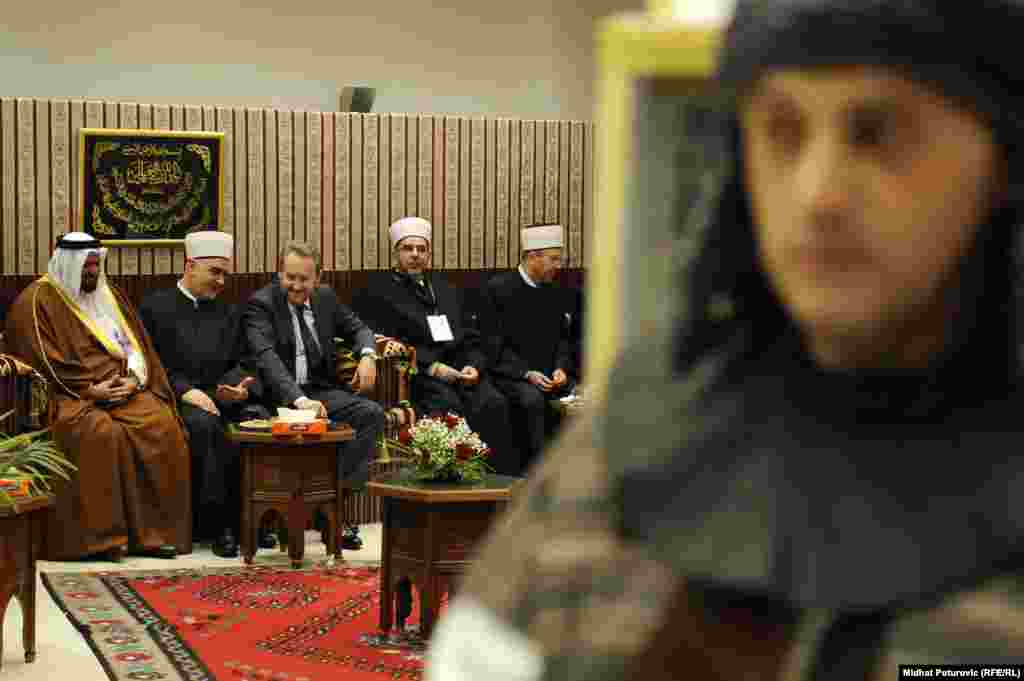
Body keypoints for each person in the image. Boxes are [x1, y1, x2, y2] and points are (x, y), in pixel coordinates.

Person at [427, 1, 1024, 679]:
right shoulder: (626, 441)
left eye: (876, 132)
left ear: (1002, 159)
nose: (818, 193)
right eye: (782, 130)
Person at [5, 232, 190, 561]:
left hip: (123, 390)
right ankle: (101, 541)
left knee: (161, 427)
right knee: (100, 433)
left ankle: (154, 535)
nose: (92, 273)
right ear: (67, 263)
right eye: (86, 267)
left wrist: (134, 380)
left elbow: (136, 346)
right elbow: (39, 360)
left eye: (95, 265)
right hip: (66, 395)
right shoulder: (37, 301)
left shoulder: (109, 294)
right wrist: (90, 390)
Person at [139, 230, 274, 559]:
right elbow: (149, 364)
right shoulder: (154, 307)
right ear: (190, 266)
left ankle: (257, 519)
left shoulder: (229, 312)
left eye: (226, 274)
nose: (221, 281)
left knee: (260, 419)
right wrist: (187, 392)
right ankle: (221, 526)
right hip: (177, 400)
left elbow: (244, 361)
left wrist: (235, 388)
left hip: (222, 398)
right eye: (215, 272)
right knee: (204, 427)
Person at [244, 239, 385, 551]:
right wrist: (300, 401)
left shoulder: (326, 298)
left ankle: (332, 508)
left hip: (319, 391)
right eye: (289, 277)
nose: (295, 285)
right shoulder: (261, 304)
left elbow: (359, 329)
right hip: (278, 397)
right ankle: (285, 516)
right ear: (279, 273)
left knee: (371, 414)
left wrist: (367, 356)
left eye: (303, 279)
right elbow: (267, 359)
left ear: (317, 278)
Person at [352, 217, 514, 472]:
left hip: (459, 370)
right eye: (408, 249)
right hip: (417, 374)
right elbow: (386, 342)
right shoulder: (377, 291)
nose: (415, 255)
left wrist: (474, 366)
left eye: (422, 249)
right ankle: (448, 483)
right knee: (448, 403)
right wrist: (433, 367)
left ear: (429, 253)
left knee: (493, 402)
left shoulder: (445, 287)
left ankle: (494, 485)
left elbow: (470, 335)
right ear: (396, 253)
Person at [482, 224, 575, 474]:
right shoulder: (497, 289)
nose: (558, 266)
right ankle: (534, 476)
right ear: (533, 257)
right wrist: (526, 373)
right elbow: (492, 344)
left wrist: (560, 368)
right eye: (553, 259)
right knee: (531, 399)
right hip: (510, 375)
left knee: (582, 397)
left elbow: (564, 339)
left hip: (551, 376)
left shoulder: (556, 291)